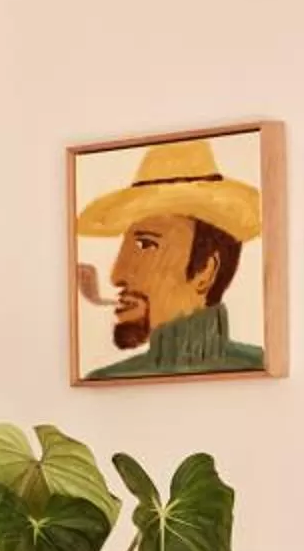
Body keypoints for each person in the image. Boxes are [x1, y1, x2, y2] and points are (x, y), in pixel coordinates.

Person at [74, 137, 267, 379]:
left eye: (145, 245)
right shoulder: (103, 380)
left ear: (205, 271)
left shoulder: (255, 366)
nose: (117, 275)